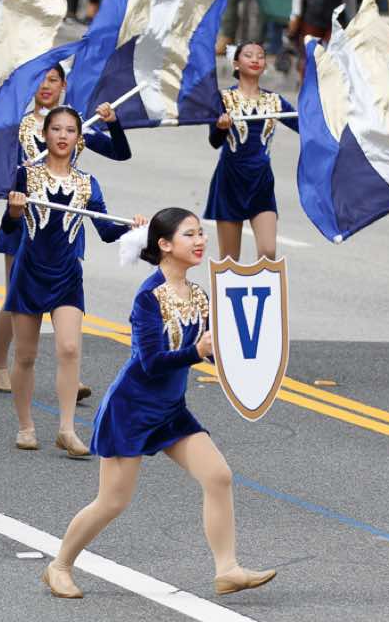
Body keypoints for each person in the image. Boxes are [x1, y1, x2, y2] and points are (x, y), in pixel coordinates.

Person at [40, 207, 277, 601]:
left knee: (218, 476)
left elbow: (209, 350)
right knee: (112, 501)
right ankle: (59, 565)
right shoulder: (148, 297)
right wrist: (196, 352)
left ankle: (227, 569)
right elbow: (150, 362)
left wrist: (241, 358)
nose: (200, 241)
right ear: (164, 245)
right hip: (130, 409)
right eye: (190, 234)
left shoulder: (199, 295)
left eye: (200, 233)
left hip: (170, 410)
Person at [0, 106, 138, 457]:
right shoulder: (25, 175)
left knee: (70, 348)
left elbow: (106, 231)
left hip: (66, 276)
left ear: (78, 138)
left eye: (70, 130)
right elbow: (9, 228)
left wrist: (133, 228)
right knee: (26, 356)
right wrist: (14, 211)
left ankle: (66, 429)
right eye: (56, 129)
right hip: (29, 273)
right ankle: (26, 426)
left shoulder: (87, 183)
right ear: (45, 134)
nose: (63, 136)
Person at [0, 66, 129, 393]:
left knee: (66, 298)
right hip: (25, 221)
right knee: (16, 299)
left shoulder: (76, 126)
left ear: (63, 84)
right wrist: (14, 174)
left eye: (52, 79)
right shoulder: (18, 126)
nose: (45, 86)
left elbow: (120, 153)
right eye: (40, 79)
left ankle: (71, 374)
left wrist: (113, 123)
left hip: (65, 224)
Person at [204, 41, 298, 263]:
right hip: (230, 180)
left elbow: (305, 126)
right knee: (229, 260)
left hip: (261, 181)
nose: (255, 59)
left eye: (260, 56)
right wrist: (221, 127)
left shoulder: (274, 101)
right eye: (248, 55)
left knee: (268, 253)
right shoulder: (223, 98)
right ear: (236, 63)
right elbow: (214, 142)